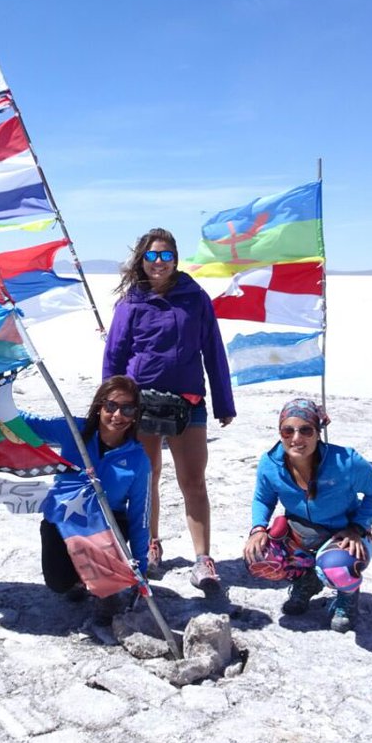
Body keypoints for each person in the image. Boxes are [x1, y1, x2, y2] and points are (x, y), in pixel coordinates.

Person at [103, 228, 235, 593]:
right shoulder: (130, 303)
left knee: (193, 480)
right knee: (146, 479)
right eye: (151, 255)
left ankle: (203, 559)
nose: (158, 262)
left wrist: (223, 402)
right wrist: (110, 406)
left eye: (165, 255)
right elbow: (114, 356)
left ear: (176, 259)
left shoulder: (195, 298)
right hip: (140, 404)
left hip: (188, 402)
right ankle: (150, 545)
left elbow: (213, 350)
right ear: (141, 260)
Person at [241, 398, 372, 633]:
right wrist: (258, 529)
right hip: (301, 535)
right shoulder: (270, 464)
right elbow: (263, 499)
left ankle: (347, 597)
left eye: (306, 430)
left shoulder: (346, 462)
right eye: (288, 431)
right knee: (259, 557)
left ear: (318, 433)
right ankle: (307, 580)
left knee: (337, 568)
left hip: (345, 536)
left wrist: (358, 527)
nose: (296, 438)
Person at [22, 376, 151, 613]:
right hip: (62, 520)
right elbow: (28, 424)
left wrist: (141, 568)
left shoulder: (137, 459)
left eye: (127, 409)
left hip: (105, 526)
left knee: (110, 550)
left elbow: (139, 515)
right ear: (99, 406)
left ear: (135, 414)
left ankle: (102, 581)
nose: (118, 415)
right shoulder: (74, 430)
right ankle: (79, 579)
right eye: (111, 406)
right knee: (59, 584)